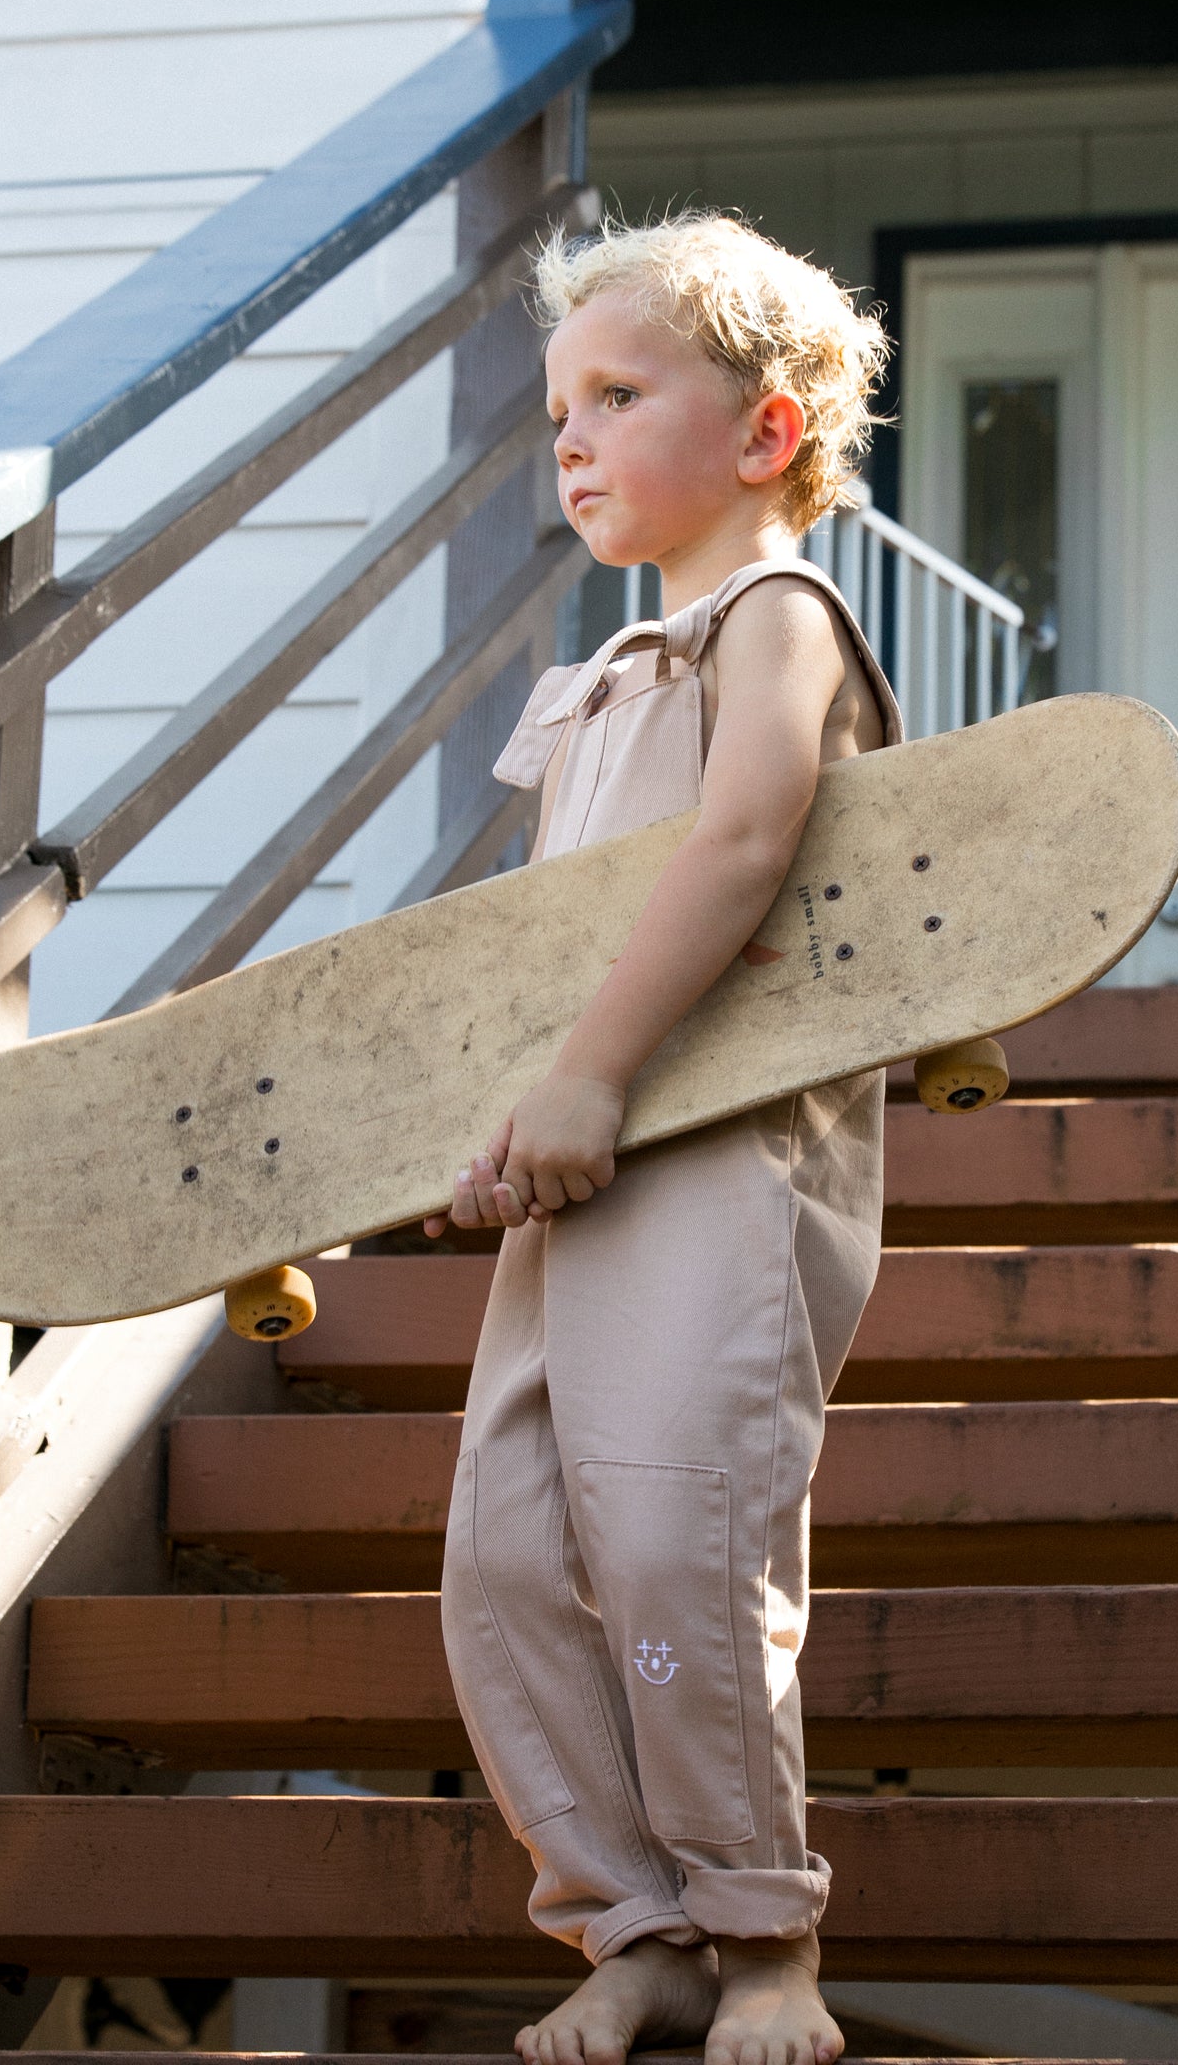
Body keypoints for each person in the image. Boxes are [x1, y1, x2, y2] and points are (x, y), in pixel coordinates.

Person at [432, 212, 900, 2065]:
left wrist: (594, 1081)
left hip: (716, 1153)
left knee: (678, 1536)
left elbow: (741, 843)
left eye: (617, 393)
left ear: (767, 434)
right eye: (560, 403)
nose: (571, 433)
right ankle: (626, 1920)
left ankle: (760, 1934)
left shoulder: (771, 621)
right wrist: (519, 1102)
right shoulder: (612, 672)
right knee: (508, 1551)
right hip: (584, 1164)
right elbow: (542, 960)